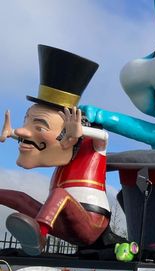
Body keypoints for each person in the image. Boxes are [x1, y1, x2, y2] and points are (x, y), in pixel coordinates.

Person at [0, 45, 110, 255]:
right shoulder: (67, 148)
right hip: (59, 218)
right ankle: (37, 233)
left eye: (41, 125)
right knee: (18, 197)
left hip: (90, 221)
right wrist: (13, 132)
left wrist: (82, 130)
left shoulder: (92, 145)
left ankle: (39, 235)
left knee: (60, 193)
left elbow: (104, 137)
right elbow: (40, 140)